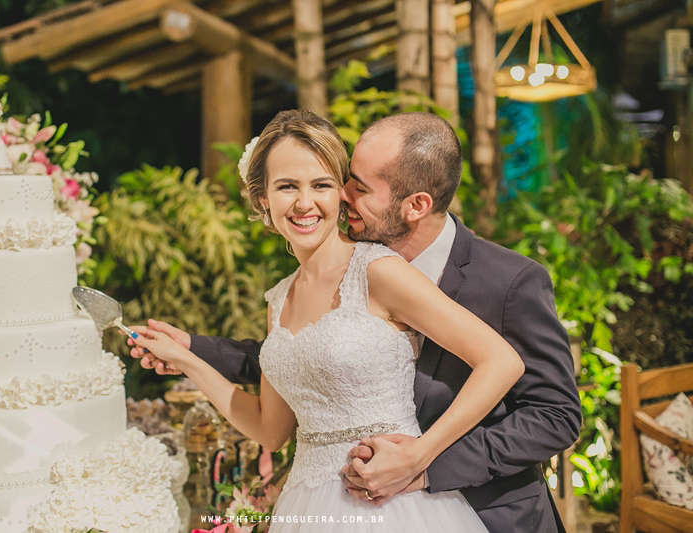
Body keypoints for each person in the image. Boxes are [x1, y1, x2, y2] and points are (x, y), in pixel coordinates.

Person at [141, 111, 581, 533]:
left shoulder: (502, 281)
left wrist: (424, 461)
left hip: (467, 510)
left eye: (344, 185)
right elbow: (296, 369)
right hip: (313, 503)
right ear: (263, 198)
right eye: (290, 186)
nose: (340, 196)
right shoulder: (280, 297)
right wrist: (190, 355)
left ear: (416, 205)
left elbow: (553, 413)